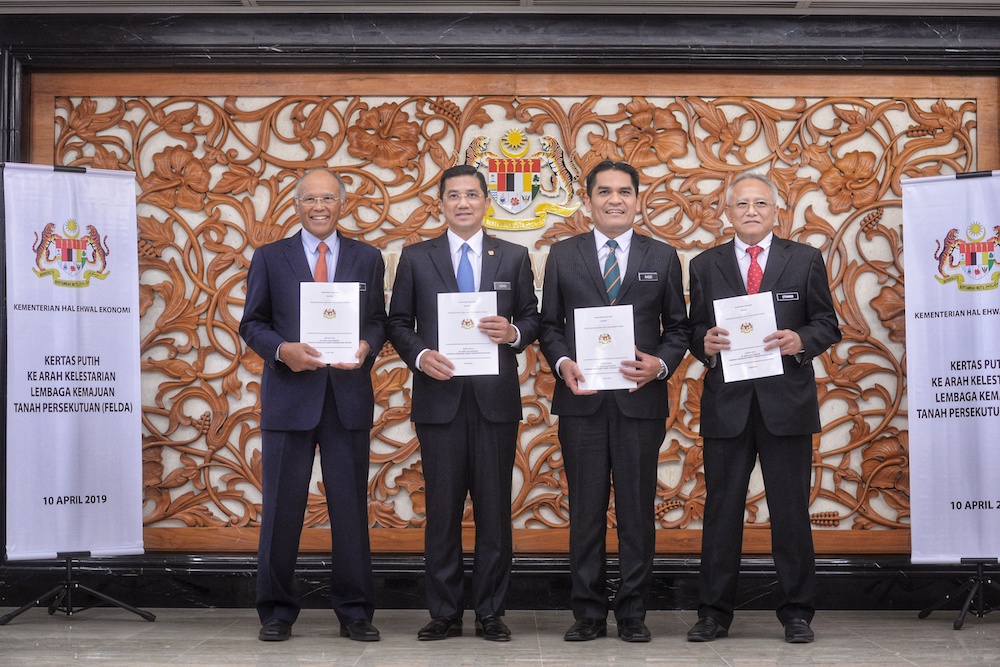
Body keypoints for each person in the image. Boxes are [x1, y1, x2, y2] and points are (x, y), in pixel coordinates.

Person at [387, 164, 541, 642]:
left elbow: (533, 318)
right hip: (440, 400)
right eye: (453, 195)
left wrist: (514, 333)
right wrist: (420, 355)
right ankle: (445, 612)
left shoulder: (513, 257)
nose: (463, 203)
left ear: (486, 201)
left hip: (495, 401)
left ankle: (491, 612)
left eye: (472, 194)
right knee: (443, 511)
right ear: (441, 204)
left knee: (495, 511)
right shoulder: (415, 258)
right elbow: (397, 323)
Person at [686, 172, 841, 644]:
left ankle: (797, 613)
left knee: (791, 511)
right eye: (741, 205)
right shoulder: (704, 264)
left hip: (785, 404)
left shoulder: (805, 259)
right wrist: (705, 343)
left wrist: (800, 341)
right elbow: (693, 332)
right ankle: (713, 614)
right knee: (721, 512)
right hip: (727, 405)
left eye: (760, 204)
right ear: (726, 212)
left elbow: (826, 324)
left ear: (776, 211)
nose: (750, 212)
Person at [538, 160, 689, 642]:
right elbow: (548, 326)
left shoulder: (663, 256)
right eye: (604, 191)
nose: (615, 199)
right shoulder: (562, 255)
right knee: (583, 510)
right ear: (588, 201)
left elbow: (679, 329)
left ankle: (632, 613)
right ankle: (586, 612)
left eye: (625, 191)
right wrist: (563, 363)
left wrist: (660, 366)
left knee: (636, 511)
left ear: (638, 200)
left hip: (638, 402)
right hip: (580, 399)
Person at [240, 168, 387, 643]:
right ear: (296, 204)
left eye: (327, 198)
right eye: (309, 200)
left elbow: (380, 322)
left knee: (349, 510)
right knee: (282, 508)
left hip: (346, 397)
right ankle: (277, 611)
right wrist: (284, 351)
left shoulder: (368, 258)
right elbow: (253, 323)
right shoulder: (269, 257)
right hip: (289, 397)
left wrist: (367, 346)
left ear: (342, 203)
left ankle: (355, 611)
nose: (319, 207)